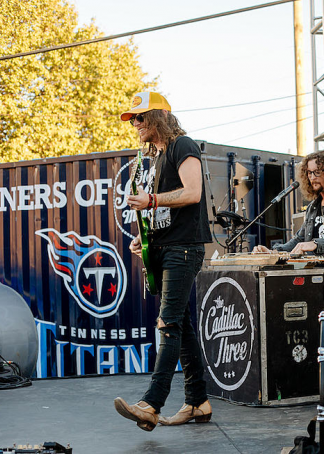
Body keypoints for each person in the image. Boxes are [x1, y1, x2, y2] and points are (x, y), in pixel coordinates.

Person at [113, 91, 213, 431]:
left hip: (184, 249)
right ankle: (198, 402)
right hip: (166, 247)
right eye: (133, 120)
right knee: (182, 327)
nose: (135, 125)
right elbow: (162, 210)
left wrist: (152, 200)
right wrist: (145, 236)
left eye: (140, 118)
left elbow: (193, 192)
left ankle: (151, 404)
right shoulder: (153, 159)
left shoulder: (183, 145)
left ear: (157, 117)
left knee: (167, 324)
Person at [252, 149, 324, 294]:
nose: (312, 177)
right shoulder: (313, 206)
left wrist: (315, 244)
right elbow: (299, 239)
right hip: (317, 277)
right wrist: (273, 252)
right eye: (309, 173)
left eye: (317, 172)